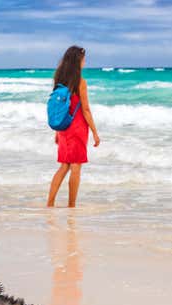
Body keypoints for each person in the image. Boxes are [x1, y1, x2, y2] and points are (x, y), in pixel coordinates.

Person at [47, 46, 100, 208]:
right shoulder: (81, 82)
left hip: (63, 128)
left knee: (64, 166)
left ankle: (50, 204)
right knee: (76, 166)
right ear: (78, 61)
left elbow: (60, 108)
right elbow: (85, 109)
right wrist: (95, 132)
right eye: (83, 58)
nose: (85, 61)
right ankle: (72, 206)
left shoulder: (59, 79)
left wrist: (57, 131)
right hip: (77, 128)